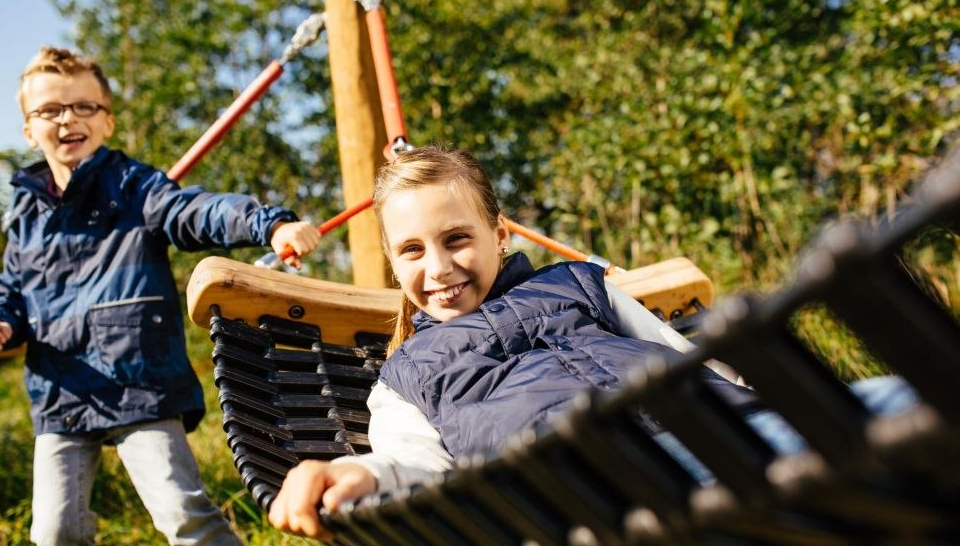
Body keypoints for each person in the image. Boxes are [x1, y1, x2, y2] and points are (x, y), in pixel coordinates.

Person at [266, 146, 917, 540]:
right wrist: (360, 472)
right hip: (601, 486)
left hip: (727, 423)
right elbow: (419, 468)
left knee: (894, 398)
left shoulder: (580, 285)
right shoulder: (408, 374)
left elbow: (686, 352)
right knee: (874, 436)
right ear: (390, 259)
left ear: (500, 235)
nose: (437, 267)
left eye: (456, 238)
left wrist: (765, 386)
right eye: (412, 249)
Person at [0, 46, 322, 545]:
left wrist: (269, 223)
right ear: (30, 130)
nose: (67, 119)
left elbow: (197, 211)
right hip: (62, 391)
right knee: (54, 531)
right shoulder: (25, 214)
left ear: (107, 122)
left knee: (181, 514)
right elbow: (12, 288)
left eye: (83, 107)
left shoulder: (135, 188)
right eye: (49, 110)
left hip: (137, 381)